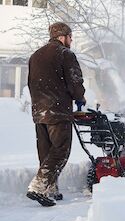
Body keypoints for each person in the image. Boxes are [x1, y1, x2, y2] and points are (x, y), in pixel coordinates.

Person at [26, 22, 86, 207]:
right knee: (60, 151)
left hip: (39, 112)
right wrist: (80, 98)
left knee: (46, 153)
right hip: (57, 112)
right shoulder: (65, 54)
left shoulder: (35, 55)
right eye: (70, 36)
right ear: (62, 37)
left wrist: (39, 103)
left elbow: (30, 83)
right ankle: (38, 186)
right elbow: (75, 81)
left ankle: (50, 188)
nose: (71, 40)